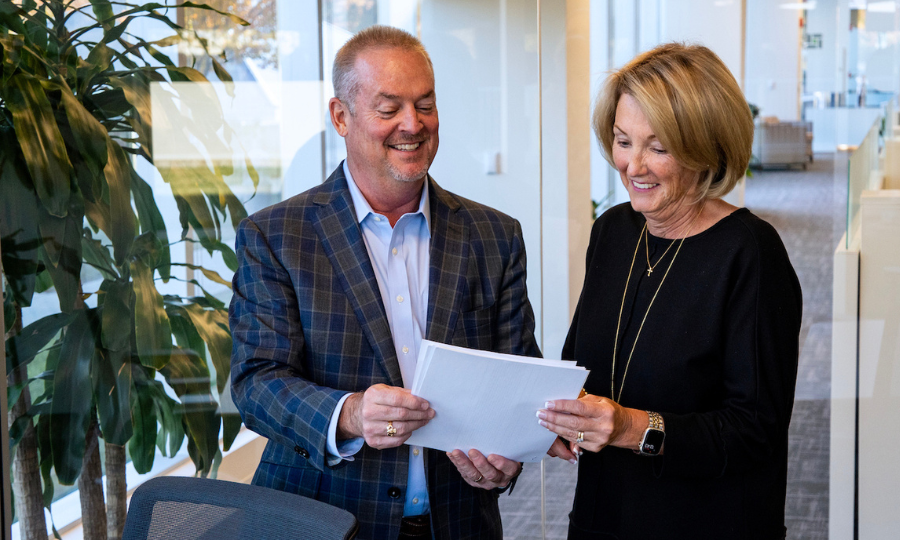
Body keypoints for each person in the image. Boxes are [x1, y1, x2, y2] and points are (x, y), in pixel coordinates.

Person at [229, 25, 539, 540]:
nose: (412, 125)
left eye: (425, 104)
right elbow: (256, 383)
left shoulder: (495, 235)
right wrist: (347, 414)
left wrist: (510, 454)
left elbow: (517, 378)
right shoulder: (275, 236)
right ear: (341, 117)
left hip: (458, 521)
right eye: (389, 108)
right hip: (323, 520)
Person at [537, 43, 802, 539]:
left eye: (658, 148)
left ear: (706, 148)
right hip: (602, 515)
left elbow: (755, 430)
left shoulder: (751, 254)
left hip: (703, 521)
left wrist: (629, 428)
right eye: (622, 141)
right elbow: (581, 363)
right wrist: (557, 417)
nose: (633, 166)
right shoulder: (613, 230)